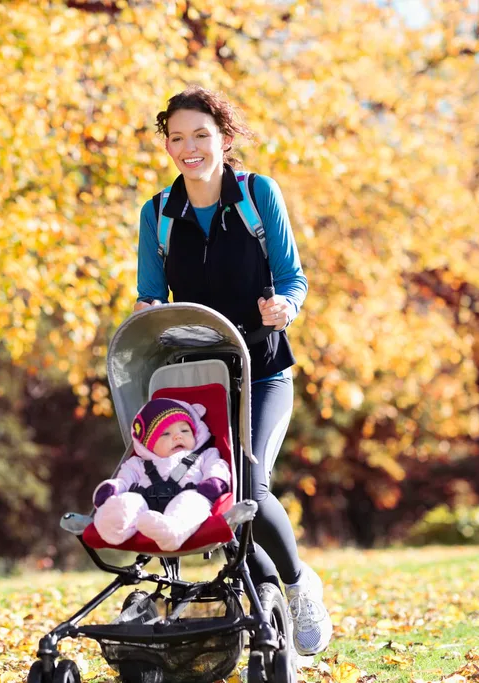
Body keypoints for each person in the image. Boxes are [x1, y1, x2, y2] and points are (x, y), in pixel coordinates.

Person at [132, 86, 331, 656]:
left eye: (201, 134)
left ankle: (296, 585)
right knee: (209, 492)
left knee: (247, 479)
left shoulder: (256, 195)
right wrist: (147, 312)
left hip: (264, 372)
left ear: (223, 137)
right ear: (166, 144)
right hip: (197, 380)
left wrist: (285, 306)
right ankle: (265, 594)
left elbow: (293, 277)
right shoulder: (157, 214)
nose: (189, 148)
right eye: (177, 137)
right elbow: (151, 294)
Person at [91, 397, 230, 552]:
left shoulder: (204, 454)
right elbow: (124, 480)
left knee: (191, 502)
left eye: (185, 430)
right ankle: (113, 526)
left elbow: (217, 466)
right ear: (149, 445)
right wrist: (113, 488)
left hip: (189, 496)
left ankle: (172, 530)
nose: (178, 436)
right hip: (146, 505)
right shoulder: (138, 464)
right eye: (165, 434)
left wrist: (215, 481)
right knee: (129, 501)